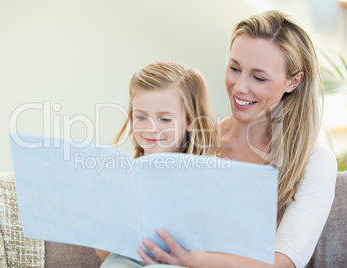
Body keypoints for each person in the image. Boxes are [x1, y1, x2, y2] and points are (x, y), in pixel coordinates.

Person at [134, 10, 337, 268]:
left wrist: (194, 260)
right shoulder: (196, 138)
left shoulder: (314, 161)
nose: (239, 87)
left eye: (259, 77)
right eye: (234, 68)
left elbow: (283, 263)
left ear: (293, 81)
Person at [95, 61, 221, 266]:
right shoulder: (125, 176)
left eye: (164, 119)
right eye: (141, 117)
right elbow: (102, 253)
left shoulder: (210, 176)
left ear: (190, 121)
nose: (151, 128)